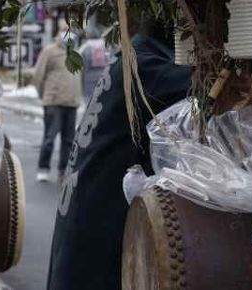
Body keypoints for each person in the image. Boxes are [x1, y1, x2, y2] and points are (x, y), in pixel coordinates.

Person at [47, 20, 191, 290]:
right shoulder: (147, 68)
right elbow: (214, 93)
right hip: (93, 255)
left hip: (80, 246)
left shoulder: (133, 60)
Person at [33, 29, 82, 183]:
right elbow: (38, 75)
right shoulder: (49, 51)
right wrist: (44, 95)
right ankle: (43, 168)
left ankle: (63, 170)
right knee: (49, 138)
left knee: (68, 140)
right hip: (53, 101)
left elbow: (79, 76)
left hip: (71, 103)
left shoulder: (76, 53)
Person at [79, 30, 108, 102]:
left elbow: (81, 68)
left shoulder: (84, 49)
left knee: (89, 105)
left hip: (88, 83)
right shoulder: (105, 47)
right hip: (103, 81)